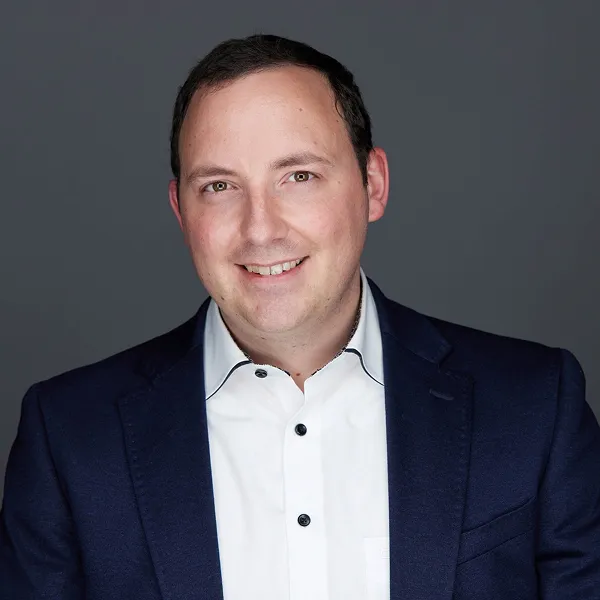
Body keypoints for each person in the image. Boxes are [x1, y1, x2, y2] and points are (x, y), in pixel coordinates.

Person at [1, 33, 599, 600]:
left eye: (299, 176)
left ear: (372, 184)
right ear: (181, 210)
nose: (261, 229)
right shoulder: (68, 438)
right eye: (219, 186)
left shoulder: (536, 407)